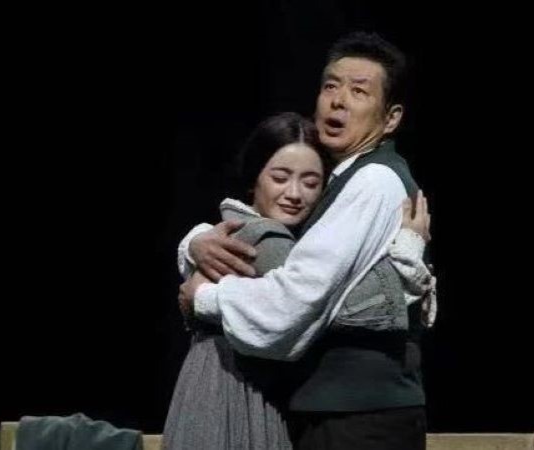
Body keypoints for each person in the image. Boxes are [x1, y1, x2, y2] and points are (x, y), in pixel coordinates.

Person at [178, 32, 432, 450]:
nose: (338, 100)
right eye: (330, 86)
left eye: (359, 91)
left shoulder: (372, 180)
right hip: (332, 413)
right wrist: (195, 241)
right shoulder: (341, 181)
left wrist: (204, 297)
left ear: (390, 119)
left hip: (358, 417)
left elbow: (298, 296)